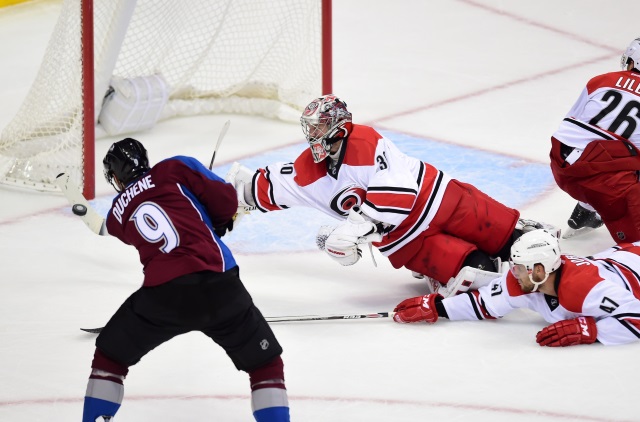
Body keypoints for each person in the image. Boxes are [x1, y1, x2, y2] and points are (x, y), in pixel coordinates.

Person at [227, 94, 554, 297]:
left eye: (318, 127)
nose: (312, 135)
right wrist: (223, 198)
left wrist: (352, 231)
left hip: (442, 201)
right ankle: (434, 270)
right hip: (408, 240)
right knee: (479, 274)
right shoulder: (305, 173)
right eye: (309, 128)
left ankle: (510, 238)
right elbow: (260, 188)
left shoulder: (366, 142)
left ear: (339, 128)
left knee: (519, 241)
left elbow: (400, 193)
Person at [80, 138, 290, 422]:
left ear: (116, 177)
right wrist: (216, 219)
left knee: (109, 359)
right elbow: (227, 202)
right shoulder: (175, 167)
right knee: (265, 364)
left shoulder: (118, 212)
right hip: (220, 285)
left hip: (163, 296)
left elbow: (146, 226)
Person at [393, 229, 640, 346]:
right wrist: (438, 307)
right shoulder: (527, 282)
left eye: (519, 267)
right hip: (622, 256)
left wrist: (593, 329)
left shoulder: (585, 289)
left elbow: (636, 318)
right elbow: (484, 303)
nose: (512, 273)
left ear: (540, 269)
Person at [550, 37, 640, 242]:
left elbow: (573, 122)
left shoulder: (600, 80)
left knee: (604, 151)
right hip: (606, 185)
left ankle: (585, 210)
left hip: (562, 166)